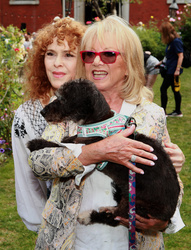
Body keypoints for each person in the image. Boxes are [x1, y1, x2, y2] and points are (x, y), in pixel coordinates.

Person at [29, 15, 185, 249]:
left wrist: (162, 220)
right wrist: (96, 151)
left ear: (129, 63)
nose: (97, 62)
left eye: (108, 54)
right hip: (73, 241)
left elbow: (170, 181)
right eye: (89, 54)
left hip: (134, 241)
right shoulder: (71, 106)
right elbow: (39, 162)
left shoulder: (152, 114)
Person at [11, 17, 86, 233]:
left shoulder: (100, 106)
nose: (56, 63)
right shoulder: (27, 115)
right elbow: (27, 180)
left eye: (68, 55)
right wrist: (42, 226)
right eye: (50, 53)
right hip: (54, 227)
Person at [157, 22, 184, 117]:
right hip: (170, 69)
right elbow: (169, 56)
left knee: (163, 88)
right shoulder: (171, 42)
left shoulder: (176, 42)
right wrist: (160, 63)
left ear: (166, 32)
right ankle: (178, 111)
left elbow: (180, 56)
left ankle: (163, 111)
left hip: (173, 71)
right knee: (175, 90)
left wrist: (177, 70)